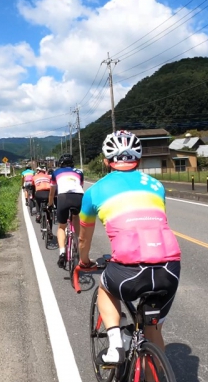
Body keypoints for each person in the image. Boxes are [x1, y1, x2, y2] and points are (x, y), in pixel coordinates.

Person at [77, 130, 181, 364]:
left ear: (106, 161)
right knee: (152, 330)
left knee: (105, 287)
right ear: (139, 159)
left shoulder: (93, 192)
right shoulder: (157, 185)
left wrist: (84, 261)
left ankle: (115, 346)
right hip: (170, 267)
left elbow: (84, 239)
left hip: (129, 269)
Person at [48, 154, 84, 269]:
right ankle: (77, 243)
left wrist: (50, 204)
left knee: (61, 227)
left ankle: (62, 252)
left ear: (61, 164)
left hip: (63, 198)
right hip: (78, 197)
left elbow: (52, 192)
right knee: (75, 216)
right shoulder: (79, 172)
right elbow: (80, 186)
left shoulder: (56, 172)